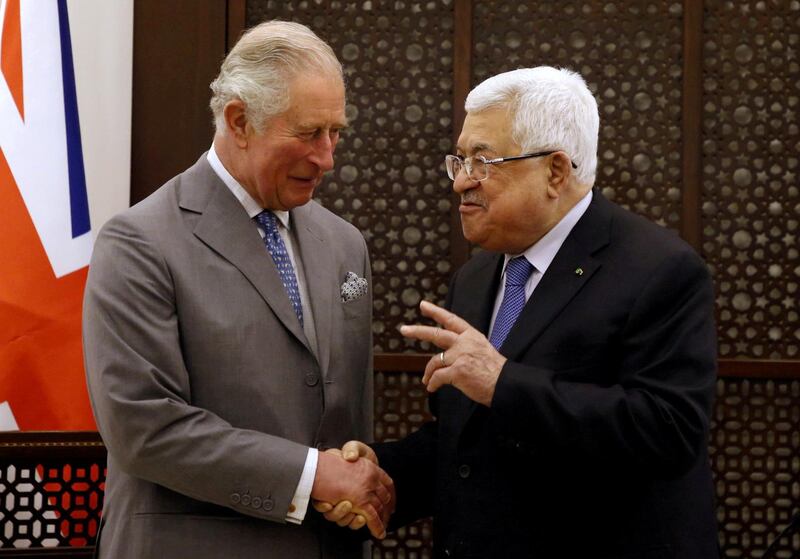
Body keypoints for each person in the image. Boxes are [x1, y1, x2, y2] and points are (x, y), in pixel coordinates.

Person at [322, 67, 719, 558]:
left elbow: (668, 431)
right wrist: (381, 475)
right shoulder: (475, 277)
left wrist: (503, 382)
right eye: (460, 160)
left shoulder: (660, 270)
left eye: (483, 161)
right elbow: (468, 442)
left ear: (555, 171)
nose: (461, 182)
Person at [83, 21, 393, 559]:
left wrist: (353, 470)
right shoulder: (139, 242)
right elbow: (143, 426)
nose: (327, 158)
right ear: (239, 120)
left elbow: (347, 414)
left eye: (335, 132)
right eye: (308, 133)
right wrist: (310, 476)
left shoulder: (346, 245)